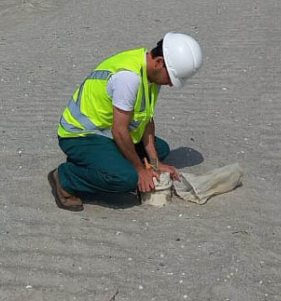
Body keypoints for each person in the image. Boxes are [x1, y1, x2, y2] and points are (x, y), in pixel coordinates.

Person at [48, 32, 203, 211]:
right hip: (81, 135)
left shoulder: (151, 74)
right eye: (170, 78)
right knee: (126, 178)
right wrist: (139, 170)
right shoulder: (128, 78)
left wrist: (154, 163)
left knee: (161, 149)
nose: (170, 84)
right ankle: (66, 177)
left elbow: (146, 120)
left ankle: (99, 162)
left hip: (107, 134)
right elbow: (119, 131)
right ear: (159, 62)